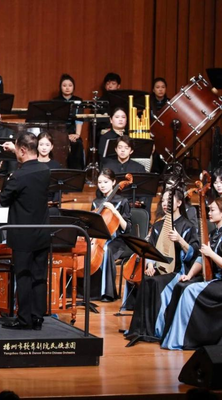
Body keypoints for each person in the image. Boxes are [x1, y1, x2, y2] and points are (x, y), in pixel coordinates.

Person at [125, 188, 199, 340]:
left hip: (178, 270)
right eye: (163, 201)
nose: (165, 204)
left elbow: (194, 253)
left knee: (157, 283)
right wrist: (150, 266)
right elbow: (151, 249)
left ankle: (157, 330)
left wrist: (180, 240)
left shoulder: (187, 226)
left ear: (179, 203)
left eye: (169, 201)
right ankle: (141, 328)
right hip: (159, 267)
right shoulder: (158, 226)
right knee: (146, 280)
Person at [0, 132, 50, 330]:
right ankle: (37, 318)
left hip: (22, 234)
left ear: (21, 150)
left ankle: (24, 319)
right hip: (42, 231)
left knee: (23, 276)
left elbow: (3, 200)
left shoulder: (18, 175)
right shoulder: (46, 170)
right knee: (39, 277)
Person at [160, 197, 222, 349]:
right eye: (209, 210)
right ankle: (168, 334)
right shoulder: (213, 233)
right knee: (180, 286)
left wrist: (211, 253)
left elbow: (209, 255)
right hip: (214, 279)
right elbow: (201, 259)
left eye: (212, 210)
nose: (209, 213)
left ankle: (185, 339)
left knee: (190, 290)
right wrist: (189, 275)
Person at [86, 168, 132, 301]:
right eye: (100, 182)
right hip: (99, 239)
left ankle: (107, 293)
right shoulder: (96, 202)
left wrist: (114, 211)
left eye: (105, 182)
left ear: (114, 182)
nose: (102, 185)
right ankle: (88, 292)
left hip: (117, 240)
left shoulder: (122, 201)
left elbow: (127, 228)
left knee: (106, 249)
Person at [53, 74, 84, 169]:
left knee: (77, 143)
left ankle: (77, 171)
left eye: (70, 85)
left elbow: (79, 119)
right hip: (59, 132)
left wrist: (77, 134)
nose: (67, 88)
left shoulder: (78, 101)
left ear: (73, 87)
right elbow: (55, 121)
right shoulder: (55, 101)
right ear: (60, 87)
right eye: (64, 85)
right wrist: (65, 135)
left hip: (73, 132)